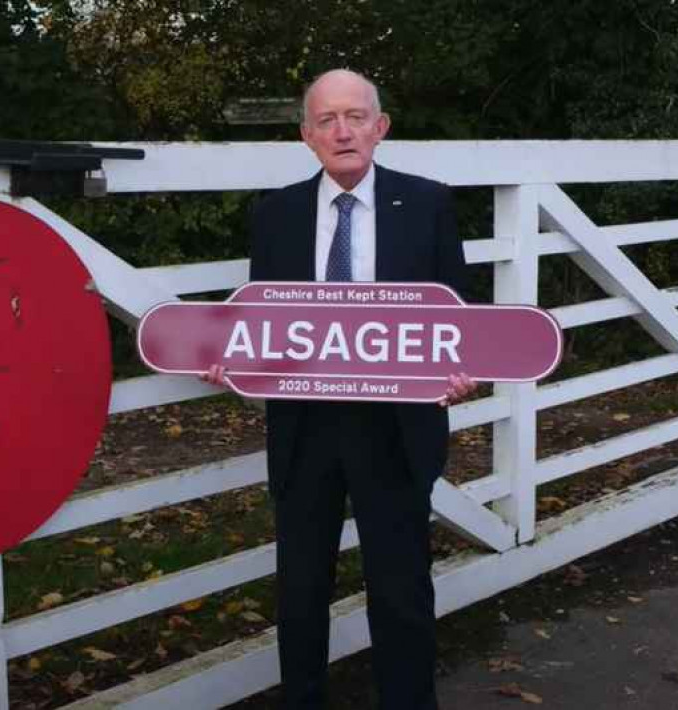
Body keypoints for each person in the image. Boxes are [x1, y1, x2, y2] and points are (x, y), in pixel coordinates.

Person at [205, 69, 475, 709]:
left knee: (401, 590)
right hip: (304, 429)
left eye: (355, 116)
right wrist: (230, 359)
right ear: (307, 135)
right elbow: (260, 320)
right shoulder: (275, 215)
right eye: (326, 119)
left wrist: (462, 372)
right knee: (300, 591)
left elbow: (460, 317)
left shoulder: (430, 204)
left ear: (380, 128)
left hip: (395, 428)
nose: (342, 130)